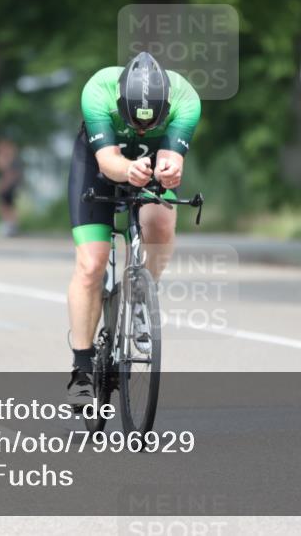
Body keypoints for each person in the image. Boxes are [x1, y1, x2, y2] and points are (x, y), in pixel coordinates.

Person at [65, 52, 201, 404]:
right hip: (99, 166)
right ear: (119, 102)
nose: (141, 129)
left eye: (149, 124)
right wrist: (127, 171)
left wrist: (170, 171)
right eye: (134, 121)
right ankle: (81, 369)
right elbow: (108, 160)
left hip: (151, 166)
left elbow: (172, 160)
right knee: (91, 265)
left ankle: (141, 297)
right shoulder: (98, 90)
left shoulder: (186, 99)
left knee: (161, 220)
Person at [0, 138, 23, 237]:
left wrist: (3, 186)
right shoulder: (12, 158)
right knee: (8, 206)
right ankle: (11, 225)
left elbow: (7, 173)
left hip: (9, 186)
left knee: (5, 206)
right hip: (11, 185)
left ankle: (10, 225)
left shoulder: (10, 159)